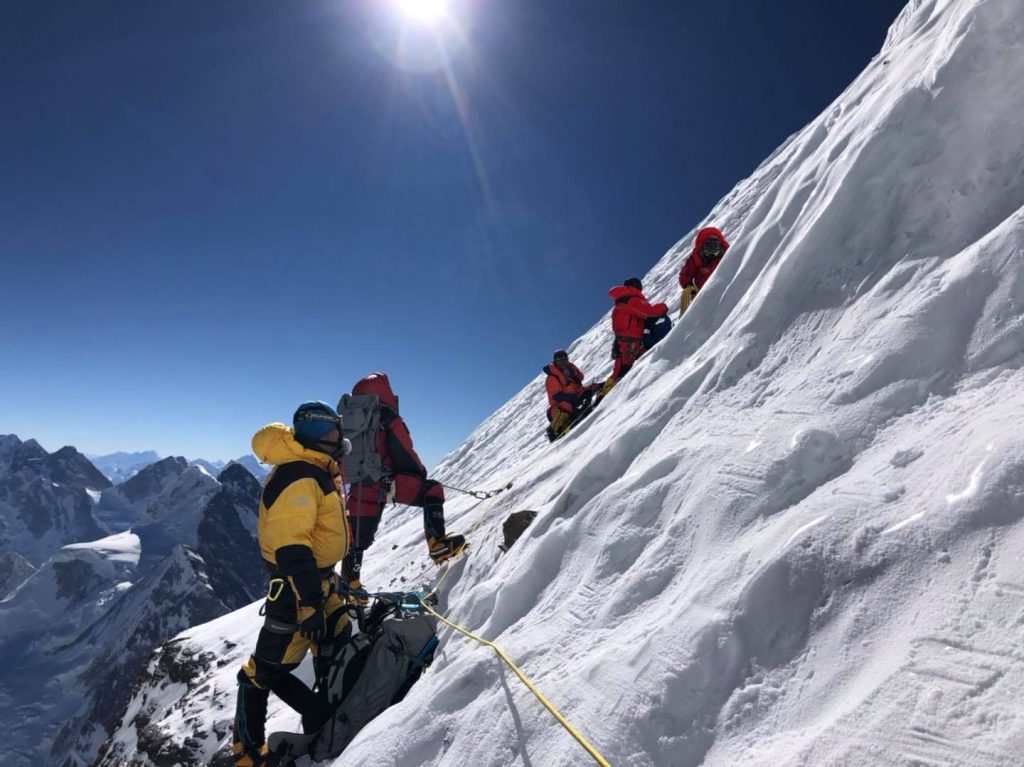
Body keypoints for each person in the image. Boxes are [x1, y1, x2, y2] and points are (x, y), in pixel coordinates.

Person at [233, 401, 352, 766]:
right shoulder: (301, 475)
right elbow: (292, 547)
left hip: (316, 584)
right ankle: (248, 752)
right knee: (263, 672)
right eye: (333, 431)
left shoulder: (312, 471)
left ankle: (323, 715)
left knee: (336, 640)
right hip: (297, 591)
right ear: (319, 436)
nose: (340, 437)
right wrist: (310, 604)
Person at [342, 373, 465, 594]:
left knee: (355, 541)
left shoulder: (350, 419)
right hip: (386, 482)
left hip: (359, 489)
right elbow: (403, 450)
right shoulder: (386, 416)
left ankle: (350, 589)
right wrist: (419, 473)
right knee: (433, 491)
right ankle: (438, 545)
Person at [606, 277, 670, 386]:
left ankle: (605, 393)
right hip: (629, 344)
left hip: (627, 343)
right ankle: (603, 397)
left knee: (622, 373)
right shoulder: (632, 299)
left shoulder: (623, 301)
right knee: (620, 374)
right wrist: (664, 307)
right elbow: (651, 312)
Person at [543, 349, 600, 440]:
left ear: (567, 359)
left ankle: (578, 413)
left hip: (572, 401)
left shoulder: (570, 373)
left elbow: (577, 389)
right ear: (555, 361)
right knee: (567, 405)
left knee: (589, 390)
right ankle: (555, 429)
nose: (562, 362)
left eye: (564, 359)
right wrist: (574, 398)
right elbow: (556, 396)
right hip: (557, 410)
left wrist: (591, 389)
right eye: (559, 360)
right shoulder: (552, 377)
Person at [678, 226, 730, 315]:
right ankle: (685, 321)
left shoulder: (727, 255)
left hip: (726, 290)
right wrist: (689, 287)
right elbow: (684, 275)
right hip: (703, 295)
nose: (712, 247)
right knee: (685, 294)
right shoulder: (695, 259)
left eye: (715, 244)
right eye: (710, 244)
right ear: (703, 245)